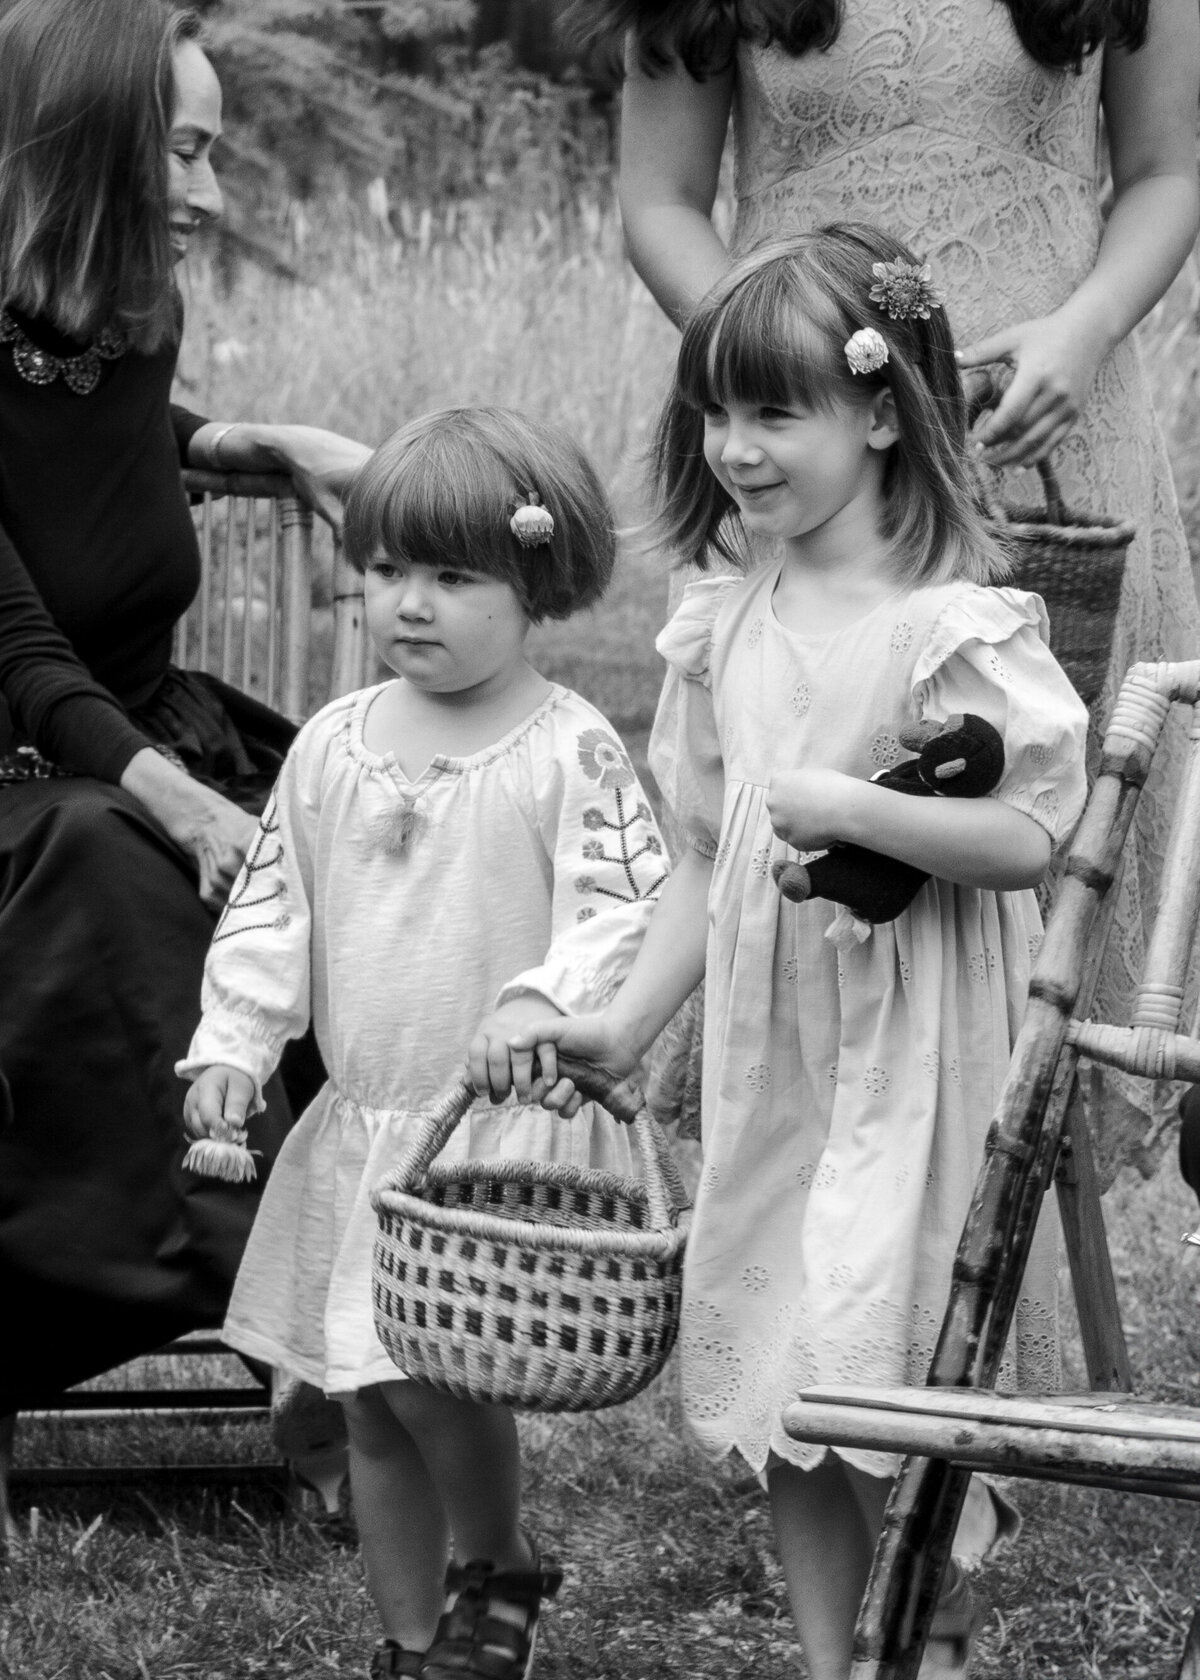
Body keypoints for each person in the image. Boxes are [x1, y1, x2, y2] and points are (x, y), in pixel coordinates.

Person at [494, 228, 1090, 1680]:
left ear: (883, 410)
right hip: (783, 1062)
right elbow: (701, 851)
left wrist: (855, 805)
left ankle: (928, 1635)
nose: (738, 449)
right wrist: (627, 1023)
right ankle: (835, 1660)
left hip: (920, 1055)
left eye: (777, 412)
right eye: (719, 413)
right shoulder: (725, 624)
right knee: (786, 1372)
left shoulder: (959, 625)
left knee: (882, 1350)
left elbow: (1036, 834)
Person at [582, 0, 1200, 1171]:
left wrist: (1082, 332)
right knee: (790, 804)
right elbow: (660, 199)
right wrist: (776, 373)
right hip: (809, 453)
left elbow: (1169, 170)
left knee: (1036, 801)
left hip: (1041, 437)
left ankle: (996, 1228)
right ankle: (793, 1194)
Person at [178, 406, 668, 1680]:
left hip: (482, 1138)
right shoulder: (335, 744)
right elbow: (272, 904)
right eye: (391, 569)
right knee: (367, 1396)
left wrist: (542, 1003)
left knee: (438, 1377)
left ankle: (496, 1555)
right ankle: (411, 1642)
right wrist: (235, 1042)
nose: (411, 603)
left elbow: (627, 905)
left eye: (455, 577)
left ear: (537, 580)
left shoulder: (567, 749)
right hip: (362, 1118)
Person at [0, 0, 370, 1520]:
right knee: (123, 854)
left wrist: (251, 441)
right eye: (188, 149)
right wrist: (189, 808)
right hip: (38, 783)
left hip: (137, 744)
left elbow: (91, 438)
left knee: (376, 815)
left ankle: (410, 1289)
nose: (211, 192)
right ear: (87, 148)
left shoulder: (123, 326)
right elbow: (22, 660)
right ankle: (303, 1329)